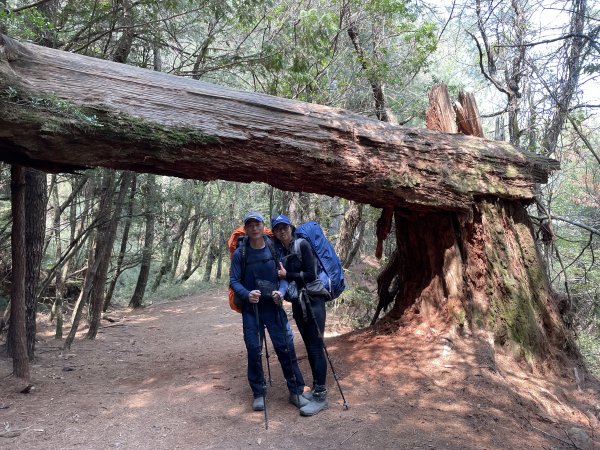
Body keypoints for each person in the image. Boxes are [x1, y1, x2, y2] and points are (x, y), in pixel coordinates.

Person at [229, 211, 310, 412]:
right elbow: (233, 281)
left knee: (285, 348)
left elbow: (282, 276)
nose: (254, 228)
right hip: (251, 309)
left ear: (262, 226)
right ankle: (258, 393)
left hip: (274, 307)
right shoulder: (241, 253)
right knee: (254, 349)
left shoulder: (273, 248)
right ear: (246, 229)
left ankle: (296, 391)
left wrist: (281, 293)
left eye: (257, 224)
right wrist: (247, 294)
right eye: (250, 225)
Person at [271, 214, 329, 416]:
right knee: (310, 346)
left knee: (315, 347)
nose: (282, 231)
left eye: (284, 227)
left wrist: (288, 275)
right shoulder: (284, 251)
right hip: (300, 304)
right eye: (277, 229)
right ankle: (316, 389)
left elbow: (310, 275)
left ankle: (321, 395)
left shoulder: (302, 244)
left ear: (290, 227)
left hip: (313, 302)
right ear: (275, 233)